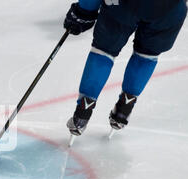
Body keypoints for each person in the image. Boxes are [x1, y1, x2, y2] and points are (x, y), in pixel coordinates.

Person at [64, 0, 187, 137]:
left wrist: (83, 12)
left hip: (122, 6)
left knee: (104, 50)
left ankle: (83, 113)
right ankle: (124, 108)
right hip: (169, 11)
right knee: (147, 54)